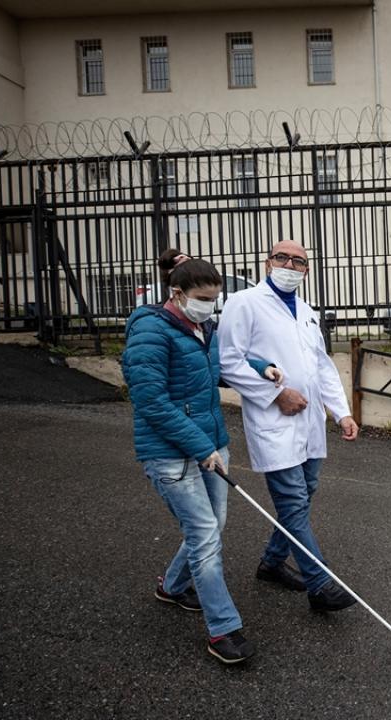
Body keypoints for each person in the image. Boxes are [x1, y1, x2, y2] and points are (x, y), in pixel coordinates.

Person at [121, 249, 282, 664]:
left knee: (214, 525)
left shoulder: (202, 327)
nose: (211, 307)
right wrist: (201, 447)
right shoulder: (150, 333)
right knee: (206, 537)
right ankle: (222, 630)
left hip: (209, 444)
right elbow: (151, 402)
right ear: (176, 293)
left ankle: (172, 587)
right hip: (172, 455)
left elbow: (211, 369)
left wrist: (261, 366)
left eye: (215, 299)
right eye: (204, 298)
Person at [218, 239, 360, 613]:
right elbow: (228, 361)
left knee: (305, 492)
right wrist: (275, 394)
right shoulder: (243, 303)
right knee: (293, 501)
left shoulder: (308, 311)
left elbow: (322, 366)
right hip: (274, 419)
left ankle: (271, 562)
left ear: (306, 270)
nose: (290, 265)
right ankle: (321, 584)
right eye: (282, 257)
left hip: (311, 422)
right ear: (267, 262)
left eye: (299, 261)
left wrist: (341, 412)